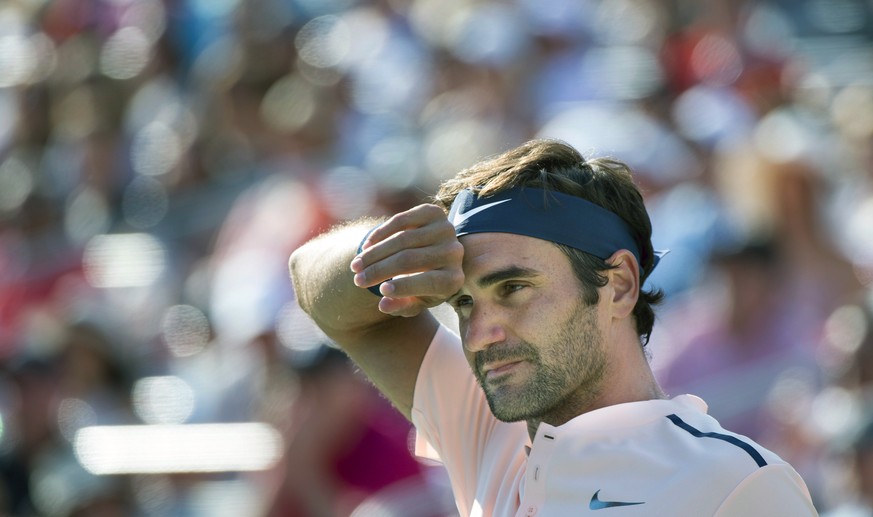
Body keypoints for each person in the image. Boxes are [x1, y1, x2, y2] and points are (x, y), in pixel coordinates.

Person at [289, 139, 818, 516]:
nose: (480, 333)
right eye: (465, 303)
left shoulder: (738, 483)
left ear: (619, 286)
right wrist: (379, 252)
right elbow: (315, 287)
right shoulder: (492, 430)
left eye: (514, 289)